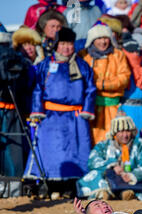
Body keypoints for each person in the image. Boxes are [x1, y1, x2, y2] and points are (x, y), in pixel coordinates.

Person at [23, 27, 97, 197]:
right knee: (48, 152)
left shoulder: (82, 66)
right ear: (56, 45)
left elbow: (90, 90)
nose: (66, 47)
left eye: (69, 44)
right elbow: (37, 89)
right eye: (63, 43)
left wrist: (87, 110)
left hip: (75, 116)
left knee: (76, 153)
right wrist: (37, 111)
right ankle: (47, 185)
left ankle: (71, 187)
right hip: (50, 116)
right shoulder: (46, 65)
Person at [76, 114, 142, 201]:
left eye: (127, 131)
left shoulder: (140, 144)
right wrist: (112, 166)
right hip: (110, 179)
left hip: (132, 180)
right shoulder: (104, 145)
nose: (125, 135)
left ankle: (127, 193)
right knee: (94, 174)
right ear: (114, 133)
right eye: (121, 131)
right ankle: (104, 193)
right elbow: (92, 161)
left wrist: (132, 175)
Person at [79, 21, 131, 145]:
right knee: (91, 140)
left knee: (114, 140)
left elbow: (124, 78)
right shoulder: (84, 56)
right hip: (90, 108)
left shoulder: (118, 55)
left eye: (106, 38)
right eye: (99, 38)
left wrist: (101, 85)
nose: (103, 42)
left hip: (113, 108)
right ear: (92, 39)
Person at [0, 29, 34, 177]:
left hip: (12, 109)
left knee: (12, 149)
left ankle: (12, 184)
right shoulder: (19, 60)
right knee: (13, 148)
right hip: (13, 109)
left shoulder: (19, 61)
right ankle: (14, 183)